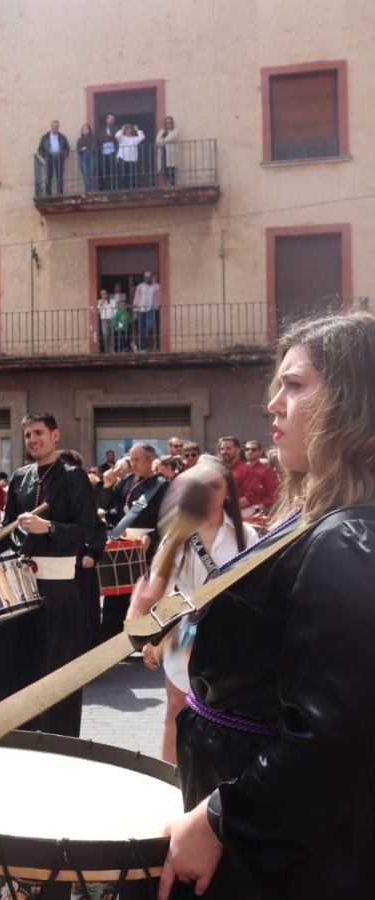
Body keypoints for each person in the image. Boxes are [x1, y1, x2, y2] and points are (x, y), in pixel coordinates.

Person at [133, 311, 375, 899]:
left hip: (278, 857)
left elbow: (335, 736)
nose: (274, 403)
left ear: (353, 400)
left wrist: (223, 818)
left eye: (295, 385)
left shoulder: (347, 540)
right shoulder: (320, 526)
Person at [0, 413, 96, 736]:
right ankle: (8, 734)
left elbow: (86, 531)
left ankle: (55, 738)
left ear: (55, 436)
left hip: (59, 590)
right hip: (21, 586)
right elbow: (9, 528)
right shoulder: (21, 477)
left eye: (38, 433)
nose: (33, 440)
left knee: (54, 670)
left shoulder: (74, 477)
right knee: (11, 667)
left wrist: (49, 528)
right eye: (27, 435)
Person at [142, 457, 257, 765]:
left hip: (232, 637)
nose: (208, 492)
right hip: (187, 633)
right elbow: (160, 591)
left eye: (216, 485)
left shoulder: (247, 536)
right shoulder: (176, 537)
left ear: (228, 493)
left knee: (227, 714)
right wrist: (154, 639)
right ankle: (168, 780)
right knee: (176, 708)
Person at [101, 442, 169, 638]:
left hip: (149, 546)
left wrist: (152, 537)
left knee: (145, 595)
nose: (133, 463)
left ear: (150, 460)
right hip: (123, 543)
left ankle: (146, 639)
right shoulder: (126, 481)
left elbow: (169, 520)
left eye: (137, 459)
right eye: (131, 458)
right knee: (116, 595)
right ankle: (111, 640)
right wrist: (106, 487)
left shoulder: (163, 485)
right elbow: (112, 511)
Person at [215, 436, 261, 515]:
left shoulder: (246, 470)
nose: (224, 451)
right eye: (222, 449)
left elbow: (252, 496)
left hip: (241, 515)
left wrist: (229, 508)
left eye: (228, 448)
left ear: (238, 450)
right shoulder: (219, 469)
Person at [242, 440, 280, 512]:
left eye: (254, 449)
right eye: (247, 449)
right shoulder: (240, 470)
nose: (250, 452)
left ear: (260, 452)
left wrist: (263, 504)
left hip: (257, 510)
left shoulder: (266, 471)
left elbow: (274, 494)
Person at [36, 119, 70, 195]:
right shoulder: (45, 137)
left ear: (59, 127)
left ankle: (60, 192)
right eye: (54, 126)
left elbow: (67, 148)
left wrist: (64, 154)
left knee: (60, 176)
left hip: (59, 157)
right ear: (51, 127)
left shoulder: (62, 137)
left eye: (57, 126)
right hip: (50, 157)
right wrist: (46, 156)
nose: (55, 128)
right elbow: (40, 149)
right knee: (49, 176)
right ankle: (48, 193)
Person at [134, 271, 162, 351]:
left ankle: (136, 340)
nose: (147, 279)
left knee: (150, 327)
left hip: (151, 309)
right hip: (141, 309)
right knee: (141, 327)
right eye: (146, 277)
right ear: (144, 278)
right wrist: (135, 311)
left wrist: (157, 306)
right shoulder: (140, 286)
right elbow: (136, 298)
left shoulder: (157, 286)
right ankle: (143, 347)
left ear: (152, 277)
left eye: (149, 277)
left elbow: (159, 297)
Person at [115, 124, 146, 189]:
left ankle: (132, 188)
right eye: (127, 129)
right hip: (122, 158)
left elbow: (142, 137)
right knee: (123, 175)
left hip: (132, 159)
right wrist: (122, 129)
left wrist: (137, 130)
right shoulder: (122, 138)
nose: (128, 131)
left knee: (132, 176)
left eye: (130, 129)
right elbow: (117, 135)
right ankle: (123, 189)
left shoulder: (135, 139)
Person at [156, 116, 180, 186]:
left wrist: (162, 140)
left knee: (172, 170)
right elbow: (157, 141)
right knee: (164, 170)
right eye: (167, 123)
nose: (168, 124)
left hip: (171, 153)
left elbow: (171, 138)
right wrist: (164, 141)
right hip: (163, 152)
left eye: (170, 122)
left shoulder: (175, 131)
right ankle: (168, 185)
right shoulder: (161, 132)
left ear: (172, 123)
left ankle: (173, 186)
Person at [98, 113, 119, 190]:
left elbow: (117, 138)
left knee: (113, 169)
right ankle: (106, 186)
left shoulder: (116, 128)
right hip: (104, 152)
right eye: (109, 118)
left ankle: (113, 186)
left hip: (113, 151)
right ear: (106, 120)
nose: (111, 120)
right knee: (105, 170)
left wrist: (110, 137)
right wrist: (109, 136)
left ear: (114, 120)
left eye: (112, 119)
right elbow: (100, 138)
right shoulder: (101, 129)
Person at [76, 123, 96, 193]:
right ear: (82, 130)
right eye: (84, 129)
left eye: (86, 129)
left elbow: (93, 148)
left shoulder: (93, 138)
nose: (85, 130)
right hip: (83, 159)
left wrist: (84, 149)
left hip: (91, 158)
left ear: (89, 130)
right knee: (86, 177)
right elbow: (78, 151)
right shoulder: (79, 140)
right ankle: (89, 192)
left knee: (90, 176)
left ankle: (89, 192)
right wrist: (85, 149)